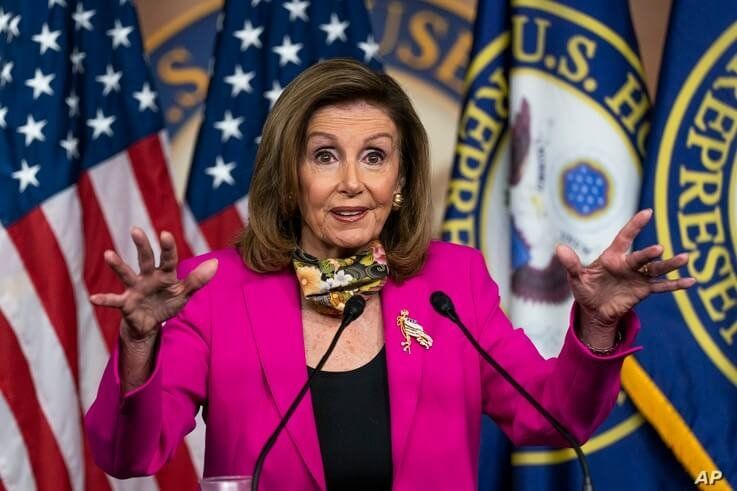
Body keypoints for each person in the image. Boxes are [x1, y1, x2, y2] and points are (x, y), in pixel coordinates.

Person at [84, 58, 694, 491]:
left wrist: (595, 323)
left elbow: (554, 415)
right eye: (325, 156)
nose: (352, 181)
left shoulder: (451, 282)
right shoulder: (214, 290)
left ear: (400, 182)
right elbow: (129, 455)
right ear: (289, 177)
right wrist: (140, 344)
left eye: (374, 156)